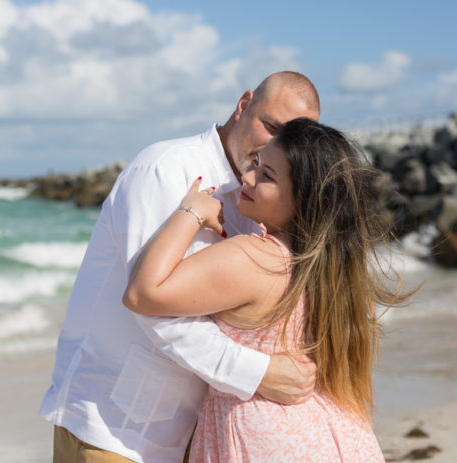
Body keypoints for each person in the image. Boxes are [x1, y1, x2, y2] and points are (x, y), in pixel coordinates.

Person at [40, 72, 320, 463]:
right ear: (243, 106)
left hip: (192, 438)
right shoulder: (166, 170)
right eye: (269, 126)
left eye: (289, 139)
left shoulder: (260, 200)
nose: (273, 146)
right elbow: (155, 311)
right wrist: (261, 373)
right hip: (111, 431)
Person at [123, 118, 407, 462]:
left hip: (267, 442)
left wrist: (191, 211)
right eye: (256, 163)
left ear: (303, 199)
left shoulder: (255, 259)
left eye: (267, 176)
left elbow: (142, 294)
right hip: (342, 438)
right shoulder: (330, 268)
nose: (248, 177)